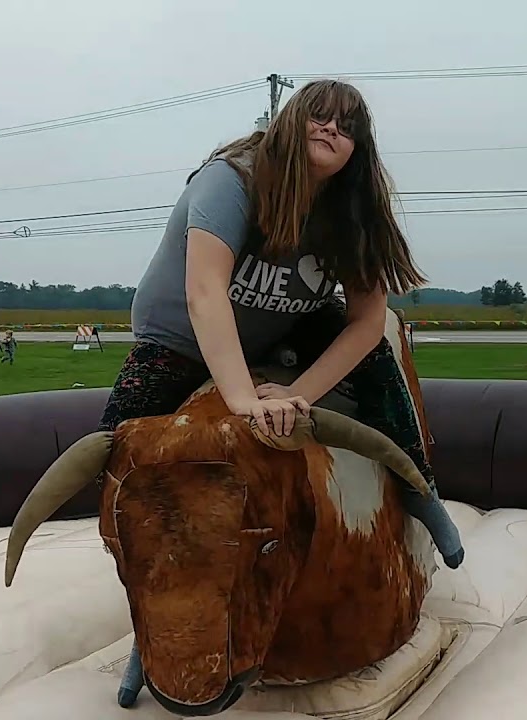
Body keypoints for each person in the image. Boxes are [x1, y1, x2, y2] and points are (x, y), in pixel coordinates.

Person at [104, 78, 464, 570]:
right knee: (114, 447)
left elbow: (366, 321)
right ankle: (149, 595)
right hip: (181, 336)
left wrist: (301, 395)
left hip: (288, 321)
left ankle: (421, 490)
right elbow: (205, 292)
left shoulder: (354, 208)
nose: (332, 129)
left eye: (348, 126)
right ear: (291, 121)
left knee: (378, 358)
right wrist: (245, 402)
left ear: (358, 149)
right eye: (320, 115)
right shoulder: (232, 180)